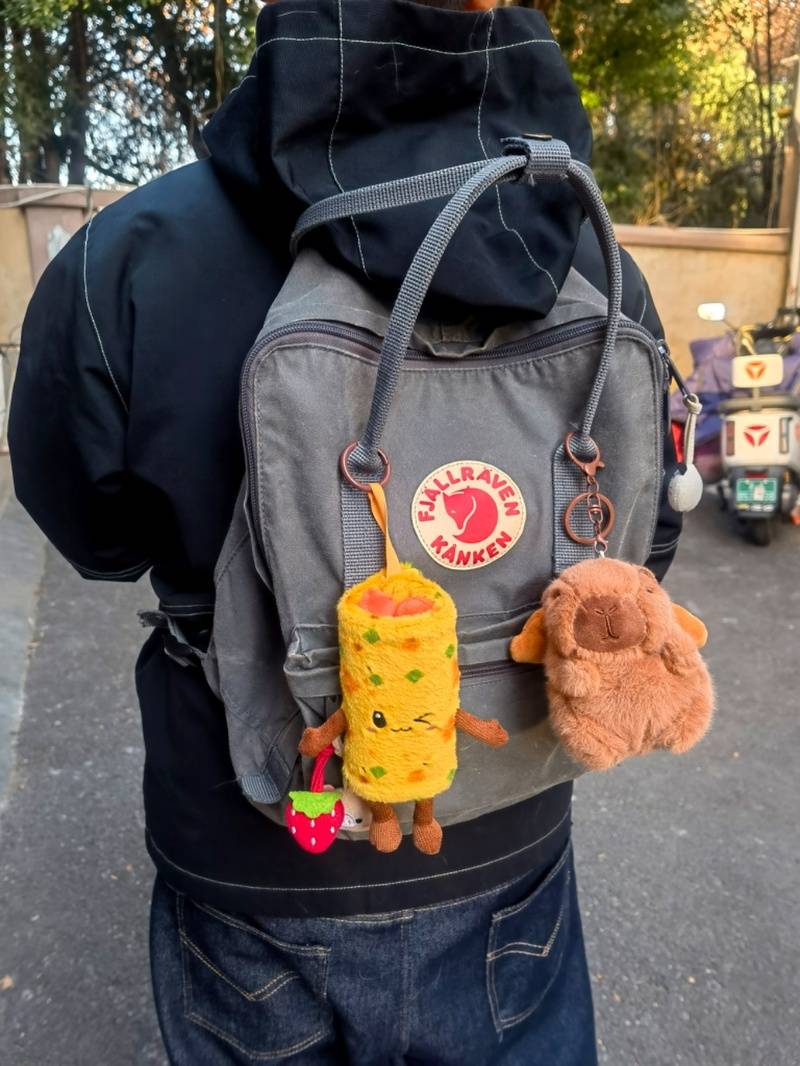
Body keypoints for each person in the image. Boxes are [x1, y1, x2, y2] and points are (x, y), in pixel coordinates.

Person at [9, 1, 681, 1062]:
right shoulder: (588, 254)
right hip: (507, 825)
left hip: (252, 838)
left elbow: (95, 539)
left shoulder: (125, 257)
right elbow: (640, 548)